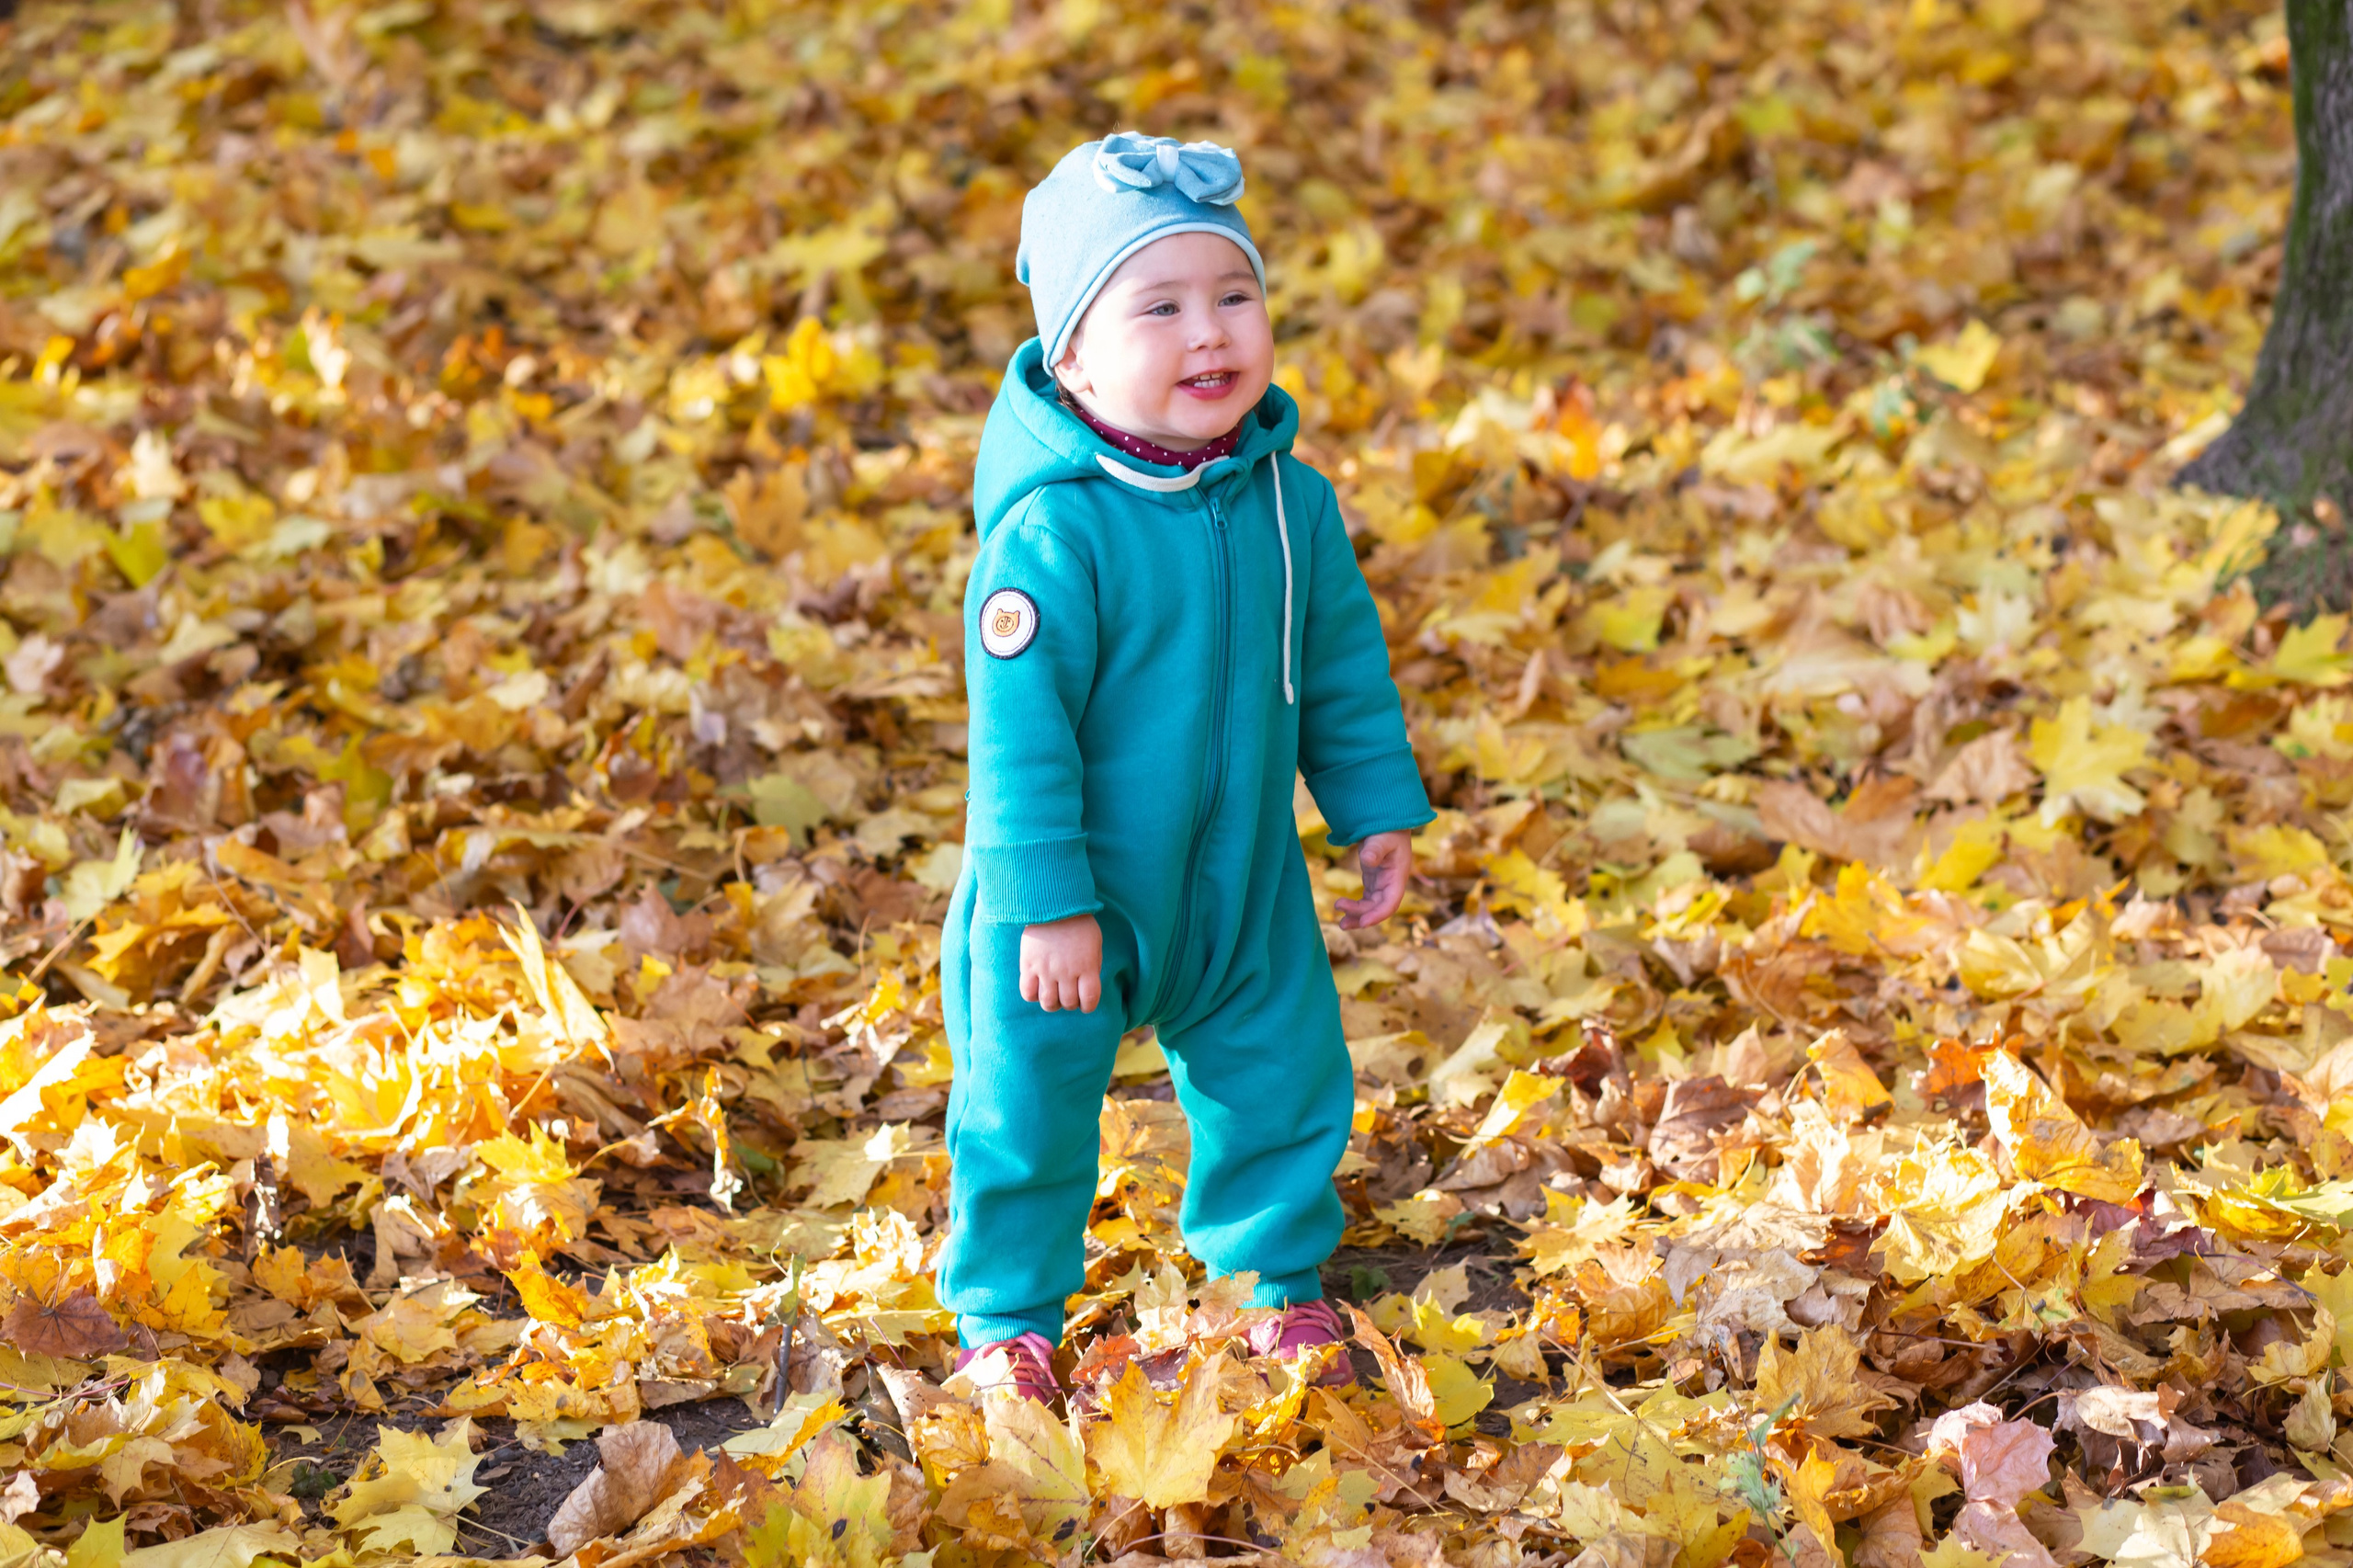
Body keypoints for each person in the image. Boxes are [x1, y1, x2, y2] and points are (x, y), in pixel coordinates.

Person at [938, 132, 1432, 1403]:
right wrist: (1048, 902)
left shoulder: (1290, 502)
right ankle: (1006, 1318)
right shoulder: (1053, 531)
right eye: (1158, 308)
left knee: (1281, 1068)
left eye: (1234, 295)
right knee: (1027, 1105)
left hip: (1238, 882)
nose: (1209, 331)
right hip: (1069, 897)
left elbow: (1337, 663)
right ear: (1072, 356)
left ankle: (1276, 1278)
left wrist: (1372, 805)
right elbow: (1018, 737)